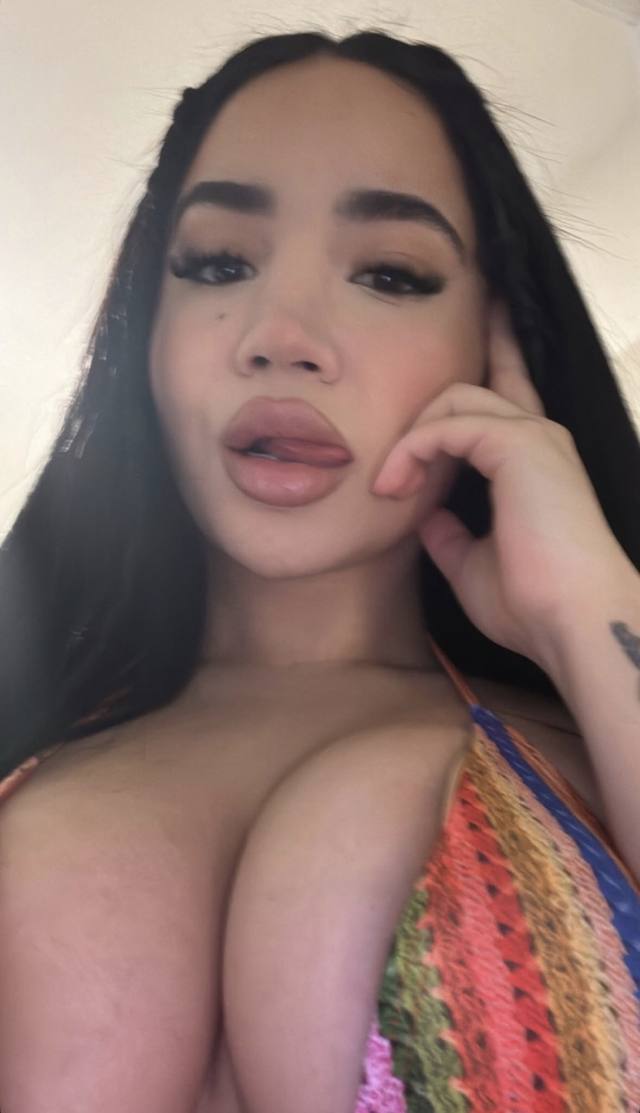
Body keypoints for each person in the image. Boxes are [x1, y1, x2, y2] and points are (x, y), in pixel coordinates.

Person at [0, 27, 639, 1113]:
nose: (281, 334)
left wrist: (589, 612)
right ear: (146, 341)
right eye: (218, 264)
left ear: (492, 353)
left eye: (390, 274)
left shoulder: (598, 750)